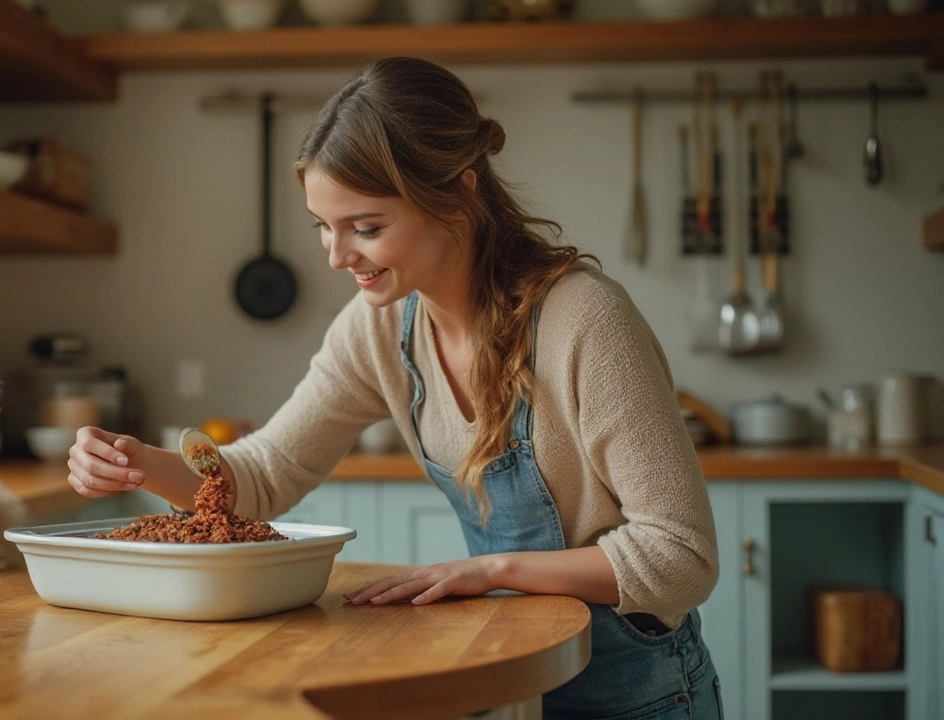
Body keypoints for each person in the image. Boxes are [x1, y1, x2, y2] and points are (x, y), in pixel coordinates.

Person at [67, 56, 721, 719]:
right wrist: (136, 463)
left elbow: (681, 554)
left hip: (640, 693)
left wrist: (491, 572)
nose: (335, 255)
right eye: (323, 225)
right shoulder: (380, 328)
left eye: (366, 228)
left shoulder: (585, 320)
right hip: (506, 677)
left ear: (458, 196)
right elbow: (266, 474)